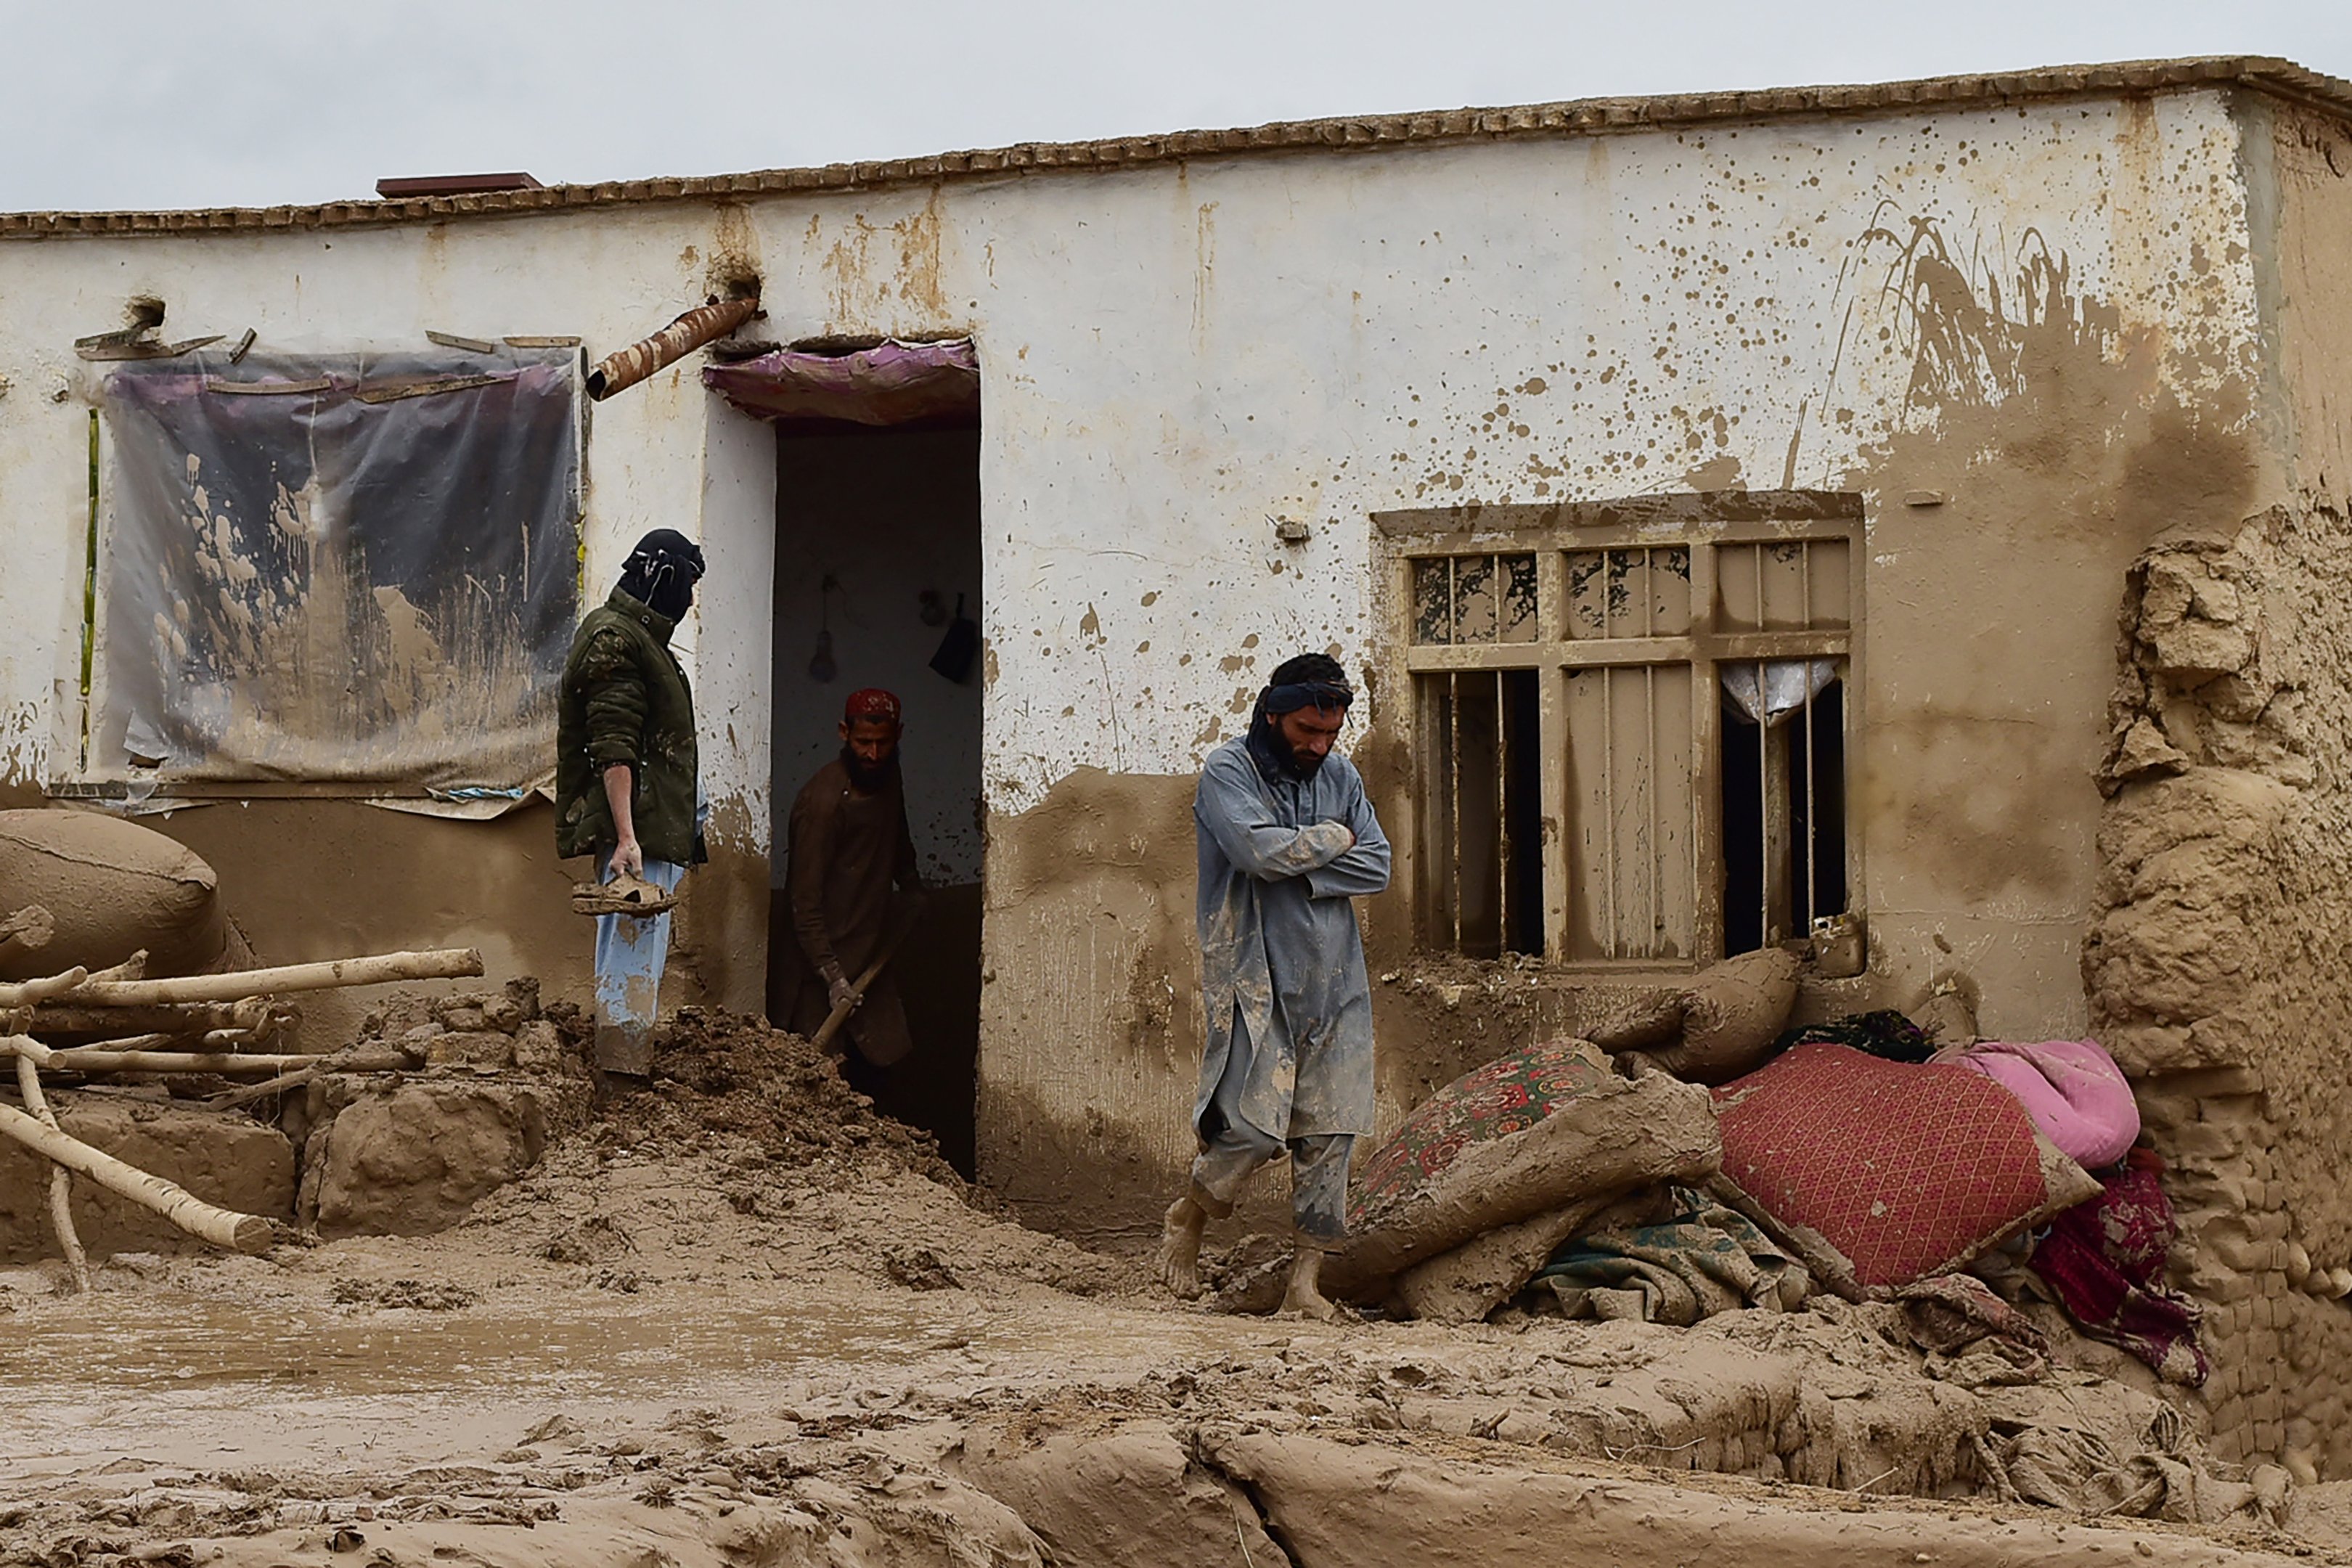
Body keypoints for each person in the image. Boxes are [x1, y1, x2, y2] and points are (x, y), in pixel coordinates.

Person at [1159, 653, 1391, 1319]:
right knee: (1252, 1128)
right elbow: (1255, 854)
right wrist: (1330, 836)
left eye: (1329, 733)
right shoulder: (1228, 770)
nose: (1319, 747)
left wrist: (1306, 856)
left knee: (1331, 1132)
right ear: (1272, 715)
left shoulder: (1341, 773)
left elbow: (1377, 865)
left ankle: (1302, 1286)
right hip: (1255, 972)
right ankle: (1190, 1214)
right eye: (1305, 732)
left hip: (1336, 976)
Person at [555, 528, 707, 1083]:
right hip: (638, 830)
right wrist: (625, 838)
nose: (690, 601)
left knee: (640, 944)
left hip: (652, 825)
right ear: (663, 577)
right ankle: (621, 1075)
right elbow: (613, 745)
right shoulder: (615, 640)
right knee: (631, 945)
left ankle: (626, 1065)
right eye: (688, 584)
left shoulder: (641, 639)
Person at [784, 687, 926, 1090]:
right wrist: (832, 977)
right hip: (819, 964)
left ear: (899, 735)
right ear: (844, 733)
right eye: (864, 742)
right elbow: (803, 902)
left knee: (881, 1067)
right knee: (824, 1081)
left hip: (869, 951)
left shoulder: (886, 774)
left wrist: (912, 885)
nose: (873, 754)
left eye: (883, 743)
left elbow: (898, 834)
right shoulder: (823, 804)